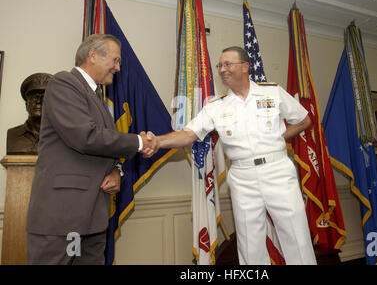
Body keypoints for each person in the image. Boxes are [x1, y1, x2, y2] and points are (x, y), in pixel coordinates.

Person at [149, 46, 317, 265]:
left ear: (245, 67)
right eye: (220, 65)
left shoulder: (272, 92)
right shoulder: (216, 106)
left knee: (296, 235)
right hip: (242, 176)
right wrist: (158, 141)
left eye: (227, 64)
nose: (222, 69)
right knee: (249, 242)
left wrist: (277, 139)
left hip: (278, 171)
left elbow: (304, 120)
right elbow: (189, 133)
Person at [26, 34, 156, 265]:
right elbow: (85, 137)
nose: (117, 68)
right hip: (63, 214)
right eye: (115, 60)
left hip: (94, 215)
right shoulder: (63, 83)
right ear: (93, 55)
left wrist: (117, 170)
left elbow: (103, 148)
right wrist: (138, 142)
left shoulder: (97, 97)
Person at [7, 73, 52, 155]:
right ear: (26, 104)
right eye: (34, 97)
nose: (38, 101)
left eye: (44, 97)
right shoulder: (13, 135)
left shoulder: (62, 136)